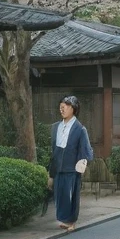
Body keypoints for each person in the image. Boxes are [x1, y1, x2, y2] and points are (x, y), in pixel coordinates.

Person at [50, 96, 93, 230]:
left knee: (71, 194)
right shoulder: (56, 127)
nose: (62, 108)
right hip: (58, 166)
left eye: (66, 106)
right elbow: (53, 150)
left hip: (72, 167)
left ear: (73, 109)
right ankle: (63, 219)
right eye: (61, 105)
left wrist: (82, 162)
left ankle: (71, 221)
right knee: (59, 194)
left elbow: (85, 149)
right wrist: (51, 171)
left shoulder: (80, 128)